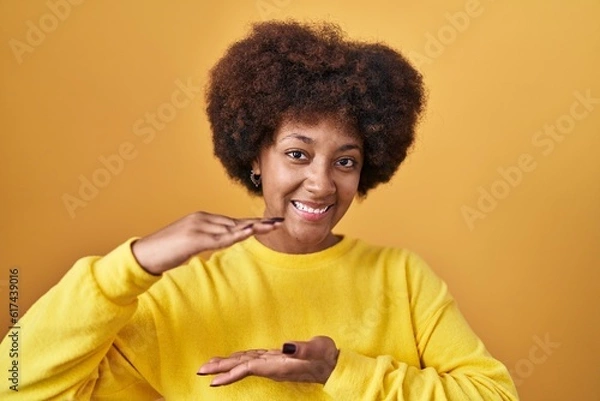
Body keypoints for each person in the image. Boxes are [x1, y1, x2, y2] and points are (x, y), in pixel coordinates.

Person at [0, 21, 519, 400]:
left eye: (345, 160)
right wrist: (133, 264)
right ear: (255, 156)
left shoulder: (403, 278)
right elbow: (16, 382)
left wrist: (338, 370)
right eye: (297, 153)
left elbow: (494, 396)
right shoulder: (181, 290)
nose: (320, 183)